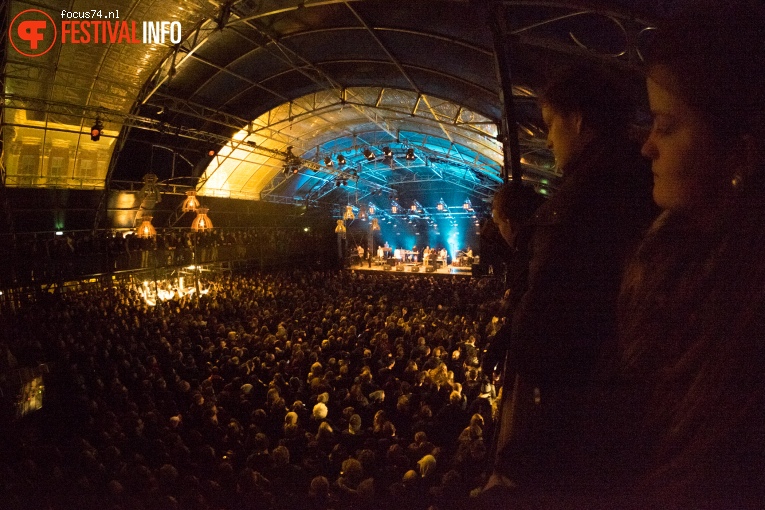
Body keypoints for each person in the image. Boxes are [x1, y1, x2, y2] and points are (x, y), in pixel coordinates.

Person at [609, 1, 765, 507]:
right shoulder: (664, 260)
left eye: (667, 127)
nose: (646, 147)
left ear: (741, 150)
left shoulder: (742, 321)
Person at [482, 62, 656, 503]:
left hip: (575, 419)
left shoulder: (580, 203)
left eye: (550, 125)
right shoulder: (637, 185)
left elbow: (548, 332)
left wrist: (516, 342)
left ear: (577, 120)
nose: (547, 140)